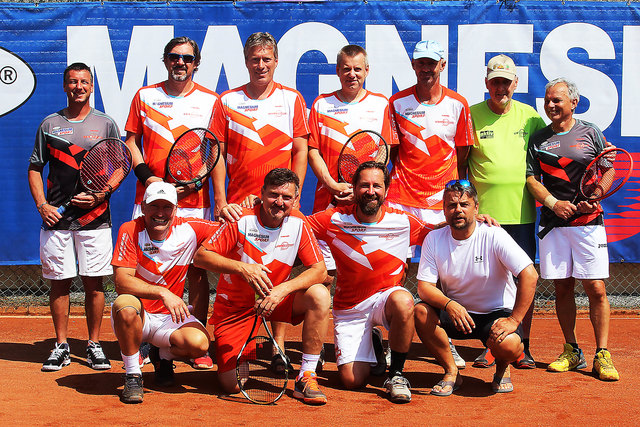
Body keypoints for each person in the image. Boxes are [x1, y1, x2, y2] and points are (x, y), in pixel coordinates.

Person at [124, 36, 225, 369]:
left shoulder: (212, 100)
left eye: (187, 58)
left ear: (196, 63)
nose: (180, 63)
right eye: (174, 57)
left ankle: (189, 330)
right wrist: (149, 179)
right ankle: (141, 339)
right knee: (144, 268)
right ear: (165, 60)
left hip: (195, 203)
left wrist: (220, 200)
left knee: (197, 272)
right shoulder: (144, 96)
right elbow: (132, 144)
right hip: (151, 200)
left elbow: (215, 152)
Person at [193, 168, 331, 405]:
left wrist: (282, 289)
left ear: (296, 200)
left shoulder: (299, 222)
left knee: (319, 294)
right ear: (262, 194)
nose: (279, 202)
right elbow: (201, 257)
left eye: (287, 197)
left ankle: (306, 375)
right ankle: (241, 354)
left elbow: (320, 271)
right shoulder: (240, 219)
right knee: (233, 384)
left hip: (274, 302)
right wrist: (243, 268)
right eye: (273, 195)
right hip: (235, 309)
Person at [213, 32, 311, 362]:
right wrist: (221, 199)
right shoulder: (226, 100)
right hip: (241, 206)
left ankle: (277, 345)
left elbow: (300, 149)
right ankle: (243, 338)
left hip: (279, 202)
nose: (260, 65)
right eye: (255, 59)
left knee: (279, 269)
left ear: (276, 62)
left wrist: (293, 194)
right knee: (246, 273)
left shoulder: (292, 99)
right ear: (246, 62)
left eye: (266, 59)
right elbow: (218, 153)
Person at [306, 161, 435, 404]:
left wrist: (474, 219)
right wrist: (257, 208)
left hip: (386, 300)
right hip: (350, 309)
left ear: (386, 190)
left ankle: (396, 374)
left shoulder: (404, 222)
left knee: (404, 300)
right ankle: (374, 345)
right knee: (353, 381)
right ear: (353, 189)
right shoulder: (333, 219)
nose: (371, 191)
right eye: (364, 185)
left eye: (377, 185)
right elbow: (296, 224)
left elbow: (441, 231)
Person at [387, 39, 474, 369]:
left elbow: (462, 154)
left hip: (442, 204)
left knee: (444, 275)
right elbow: (392, 153)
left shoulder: (458, 104)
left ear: (442, 65)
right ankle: (391, 341)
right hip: (402, 201)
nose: (425, 68)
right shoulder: (396, 102)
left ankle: (444, 338)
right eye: (420, 62)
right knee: (396, 272)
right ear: (413, 65)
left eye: (431, 62)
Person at [525, 78, 620, 381]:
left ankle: (602, 354)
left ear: (573, 103)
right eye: (548, 100)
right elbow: (531, 180)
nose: (551, 105)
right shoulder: (538, 139)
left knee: (596, 288)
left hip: (588, 224)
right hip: (555, 224)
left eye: (558, 101)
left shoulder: (590, 132)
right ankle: (572, 350)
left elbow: (609, 169)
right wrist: (554, 204)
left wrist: (596, 196)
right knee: (562, 287)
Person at [28, 62, 119, 372]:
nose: (79, 87)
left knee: (95, 285)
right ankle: (61, 345)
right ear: (64, 86)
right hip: (57, 221)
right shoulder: (49, 125)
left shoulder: (105, 124)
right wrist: (43, 205)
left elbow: (120, 164)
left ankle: (94, 345)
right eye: (73, 82)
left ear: (91, 87)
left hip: (96, 217)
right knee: (59, 284)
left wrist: (102, 193)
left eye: (84, 82)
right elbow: (35, 168)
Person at [414, 179, 538, 395]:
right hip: (457, 314)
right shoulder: (433, 239)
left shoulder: (494, 234)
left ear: (476, 207)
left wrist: (514, 320)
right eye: (451, 205)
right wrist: (450, 304)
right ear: (444, 210)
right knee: (420, 312)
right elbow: (424, 287)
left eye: (464, 204)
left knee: (508, 345)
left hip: (496, 316)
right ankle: (452, 372)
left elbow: (530, 274)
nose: (458, 210)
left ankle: (502, 369)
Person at [466, 54, 547, 369]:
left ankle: (522, 346)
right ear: (487, 83)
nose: (501, 87)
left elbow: (554, 150)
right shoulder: (471, 115)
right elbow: (461, 166)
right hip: (485, 219)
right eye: (495, 81)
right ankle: (492, 345)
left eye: (506, 81)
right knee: (492, 285)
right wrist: (471, 211)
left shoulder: (531, 118)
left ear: (515, 83)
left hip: (522, 217)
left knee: (524, 281)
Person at [111, 182, 216, 403]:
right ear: (143, 207)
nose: (160, 213)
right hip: (139, 316)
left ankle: (162, 355)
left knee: (200, 344)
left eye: (166, 207)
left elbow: (233, 228)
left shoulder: (189, 228)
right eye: (154, 206)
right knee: (125, 304)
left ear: (175, 210)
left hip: (171, 318)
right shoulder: (130, 229)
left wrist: (249, 207)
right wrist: (162, 292)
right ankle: (132, 375)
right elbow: (121, 282)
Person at [308, 44, 397, 290]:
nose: (352, 74)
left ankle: (373, 327)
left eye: (357, 69)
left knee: (369, 269)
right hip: (329, 201)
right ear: (337, 71)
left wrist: (362, 188)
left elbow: (385, 147)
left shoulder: (381, 104)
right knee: (324, 275)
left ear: (367, 71)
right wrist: (332, 185)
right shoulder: (321, 104)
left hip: (367, 203)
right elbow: (312, 150)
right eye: (346, 69)